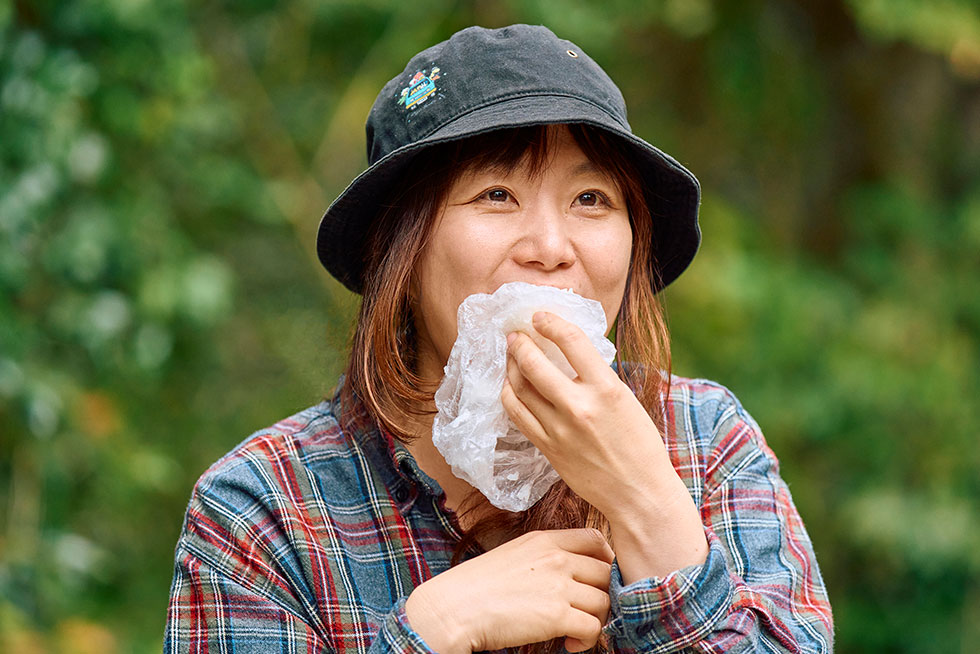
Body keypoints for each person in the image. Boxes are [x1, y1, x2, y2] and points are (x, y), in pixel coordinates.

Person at [165, 24, 833, 654]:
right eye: (495, 194)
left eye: (592, 199)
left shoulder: (706, 442)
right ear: (397, 246)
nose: (550, 248)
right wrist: (435, 628)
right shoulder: (265, 507)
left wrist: (643, 497)